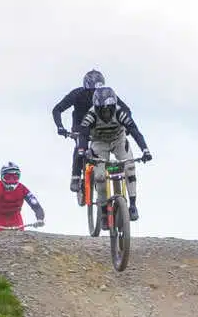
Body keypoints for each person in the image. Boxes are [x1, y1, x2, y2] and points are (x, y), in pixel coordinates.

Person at [76, 86, 152, 222]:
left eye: (108, 109)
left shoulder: (120, 113)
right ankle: (104, 209)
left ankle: (133, 205)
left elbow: (134, 130)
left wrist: (145, 150)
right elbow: (83, 134)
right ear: (96, 107)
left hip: (119, 140)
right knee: (100, 176)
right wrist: (81, 150)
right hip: (99, 143)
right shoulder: (91, 115)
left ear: (114, 106)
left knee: (129, 167)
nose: (105, 113)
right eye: (102, 110)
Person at [52, 69, 131, 193]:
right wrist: (60, 127)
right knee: (80, 148)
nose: (95, 93)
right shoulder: (76, 94)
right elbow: (57, 109)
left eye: (97, 90)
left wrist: (127, 126)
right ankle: (76, 177)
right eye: (91, 91)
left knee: (112, 148)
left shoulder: (107, 95)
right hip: (80, 128)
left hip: (100, 129)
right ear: (85, 88)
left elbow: (126, 109)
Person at [0, 161, 46, 232]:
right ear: (2, 177)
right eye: (8, 177)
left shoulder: (22, 189)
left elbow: (37, 207)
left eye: (15, 177)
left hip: (17, 225)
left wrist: (40, 219)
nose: (11, 180)